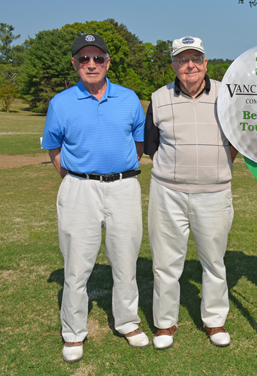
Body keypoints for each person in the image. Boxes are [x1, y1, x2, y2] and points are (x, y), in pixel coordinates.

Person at [42, 34, 149, 363]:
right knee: (76, 266)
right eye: (84, 59)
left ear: (108, 62)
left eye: (98, 58)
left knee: (125, 260)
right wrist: (81, 177)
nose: (91, 64)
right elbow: (54, 149)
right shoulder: (60, 102)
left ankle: (128, 323)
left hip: (124, 188)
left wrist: (115, 171)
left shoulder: (129, 98)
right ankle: (73, 332)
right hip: (79, 190)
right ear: (74, 63)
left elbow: (139, 144)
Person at [144, 36, 238, 350]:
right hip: (167, 193)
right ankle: (165, 325)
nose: (190, 65)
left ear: (205, 62)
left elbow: (237, 140)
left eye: (195, 58)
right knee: (166, 263)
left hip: (214, 192)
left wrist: (215, 168)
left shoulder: (226, 94)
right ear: (173, 65)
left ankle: (215, 322)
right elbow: (152, 147)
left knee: (213, 261)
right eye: (182, 60)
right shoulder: (159, 98)